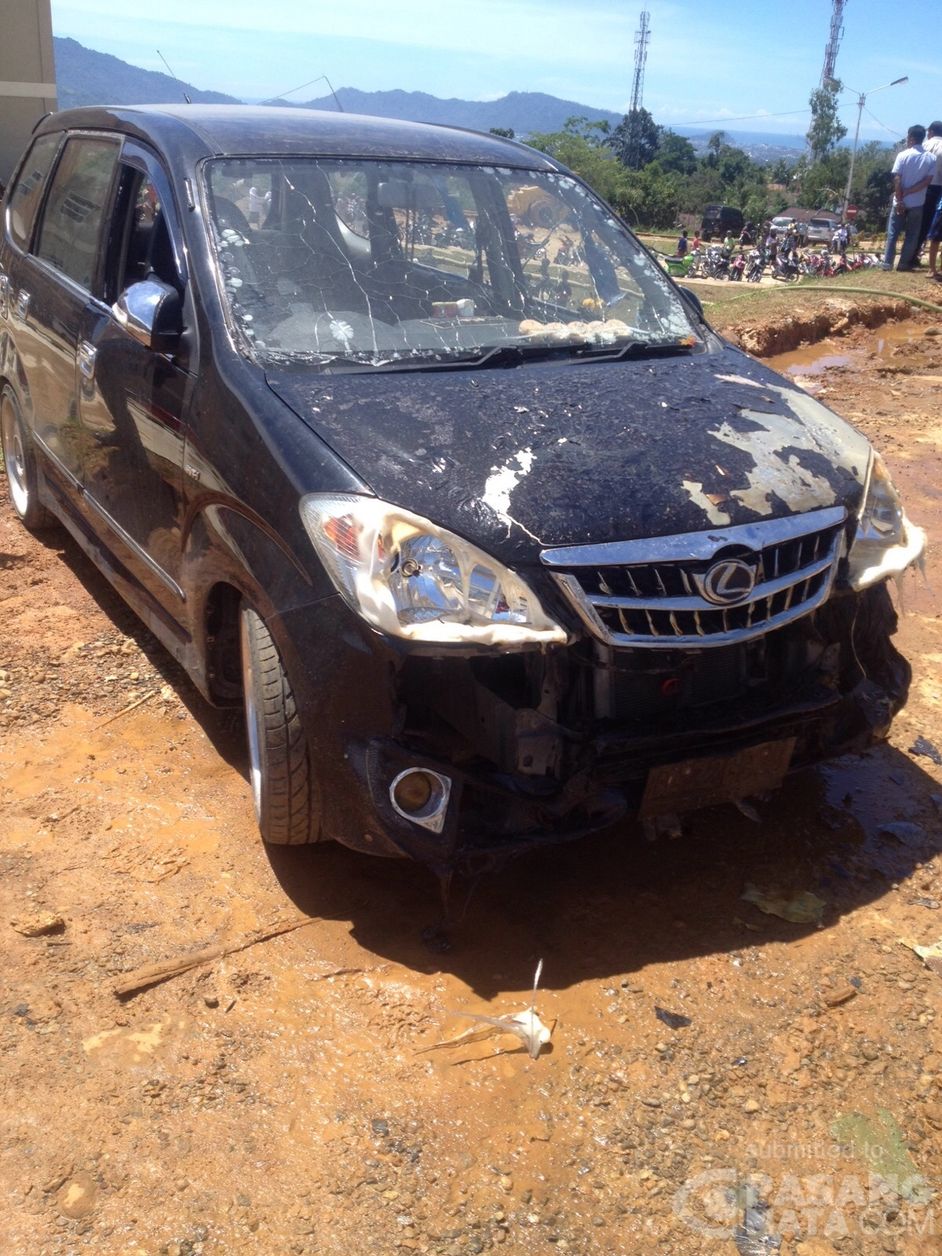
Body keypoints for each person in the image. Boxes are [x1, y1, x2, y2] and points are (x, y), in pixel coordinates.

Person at [883, 125, 937, 271]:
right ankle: (904, 264)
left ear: (911, 138)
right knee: (912, 235)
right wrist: (910, 192)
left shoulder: (902, 155)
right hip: (917, 202)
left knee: (893, 233)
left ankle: (887, 263)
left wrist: (900, 197)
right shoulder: (931, 158)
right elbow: (927, 181)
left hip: (899, 201)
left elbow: (897, 179)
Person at [916, 120, 942, 260]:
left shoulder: (923, 145)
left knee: (918, 223)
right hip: (938, 188)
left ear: (931, 132)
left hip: (919, 187)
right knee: (934, 224)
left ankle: (913, 253)